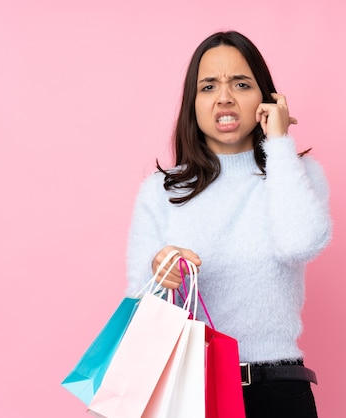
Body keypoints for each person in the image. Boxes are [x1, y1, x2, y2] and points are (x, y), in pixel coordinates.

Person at [125, 30, 332, 418]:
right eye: (209, 86)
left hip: (279, 390)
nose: (225, 97)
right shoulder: (162, 191)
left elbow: (301, 242)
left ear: (266, 98)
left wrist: (279, 144)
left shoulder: (296, 172)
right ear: (194, 102)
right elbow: (139, 306)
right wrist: (160, 272)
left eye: (241, 83)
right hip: (190, 391)